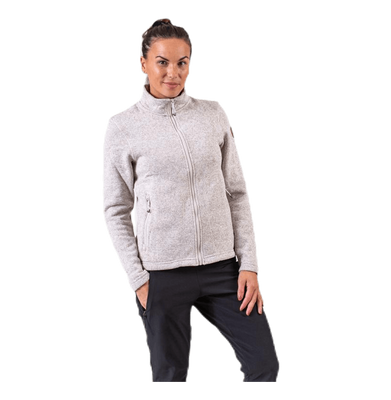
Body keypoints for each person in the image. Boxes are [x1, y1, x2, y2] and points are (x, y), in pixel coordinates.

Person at [101, 16, 280, 385]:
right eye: (162, 62)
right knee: (170, 377)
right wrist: (138, 280)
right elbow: (115, 210)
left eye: (182, 62)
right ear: (143, 63)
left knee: (264, 364)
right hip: (161, 274)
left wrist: (249, 264)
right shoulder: (121, 125)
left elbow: (238, 192)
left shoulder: (214, 113)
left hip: (223, 269)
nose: (173, 73)